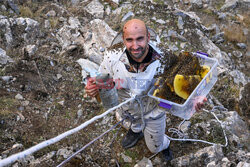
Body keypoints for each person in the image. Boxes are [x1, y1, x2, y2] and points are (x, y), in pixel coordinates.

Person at [85, 19, 205, 162]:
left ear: (148, 37)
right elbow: (104, 82)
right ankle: (136, 130)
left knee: (154, 147)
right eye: (129, 40)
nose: (135, 46)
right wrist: (94, 88)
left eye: (140, 39)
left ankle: (164, 144)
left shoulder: (166, 58)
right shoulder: (111, 57)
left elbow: (184, 81)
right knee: (132, 122)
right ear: (123, 40)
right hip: (127, 107)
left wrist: (195, 98)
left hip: (153, 111)